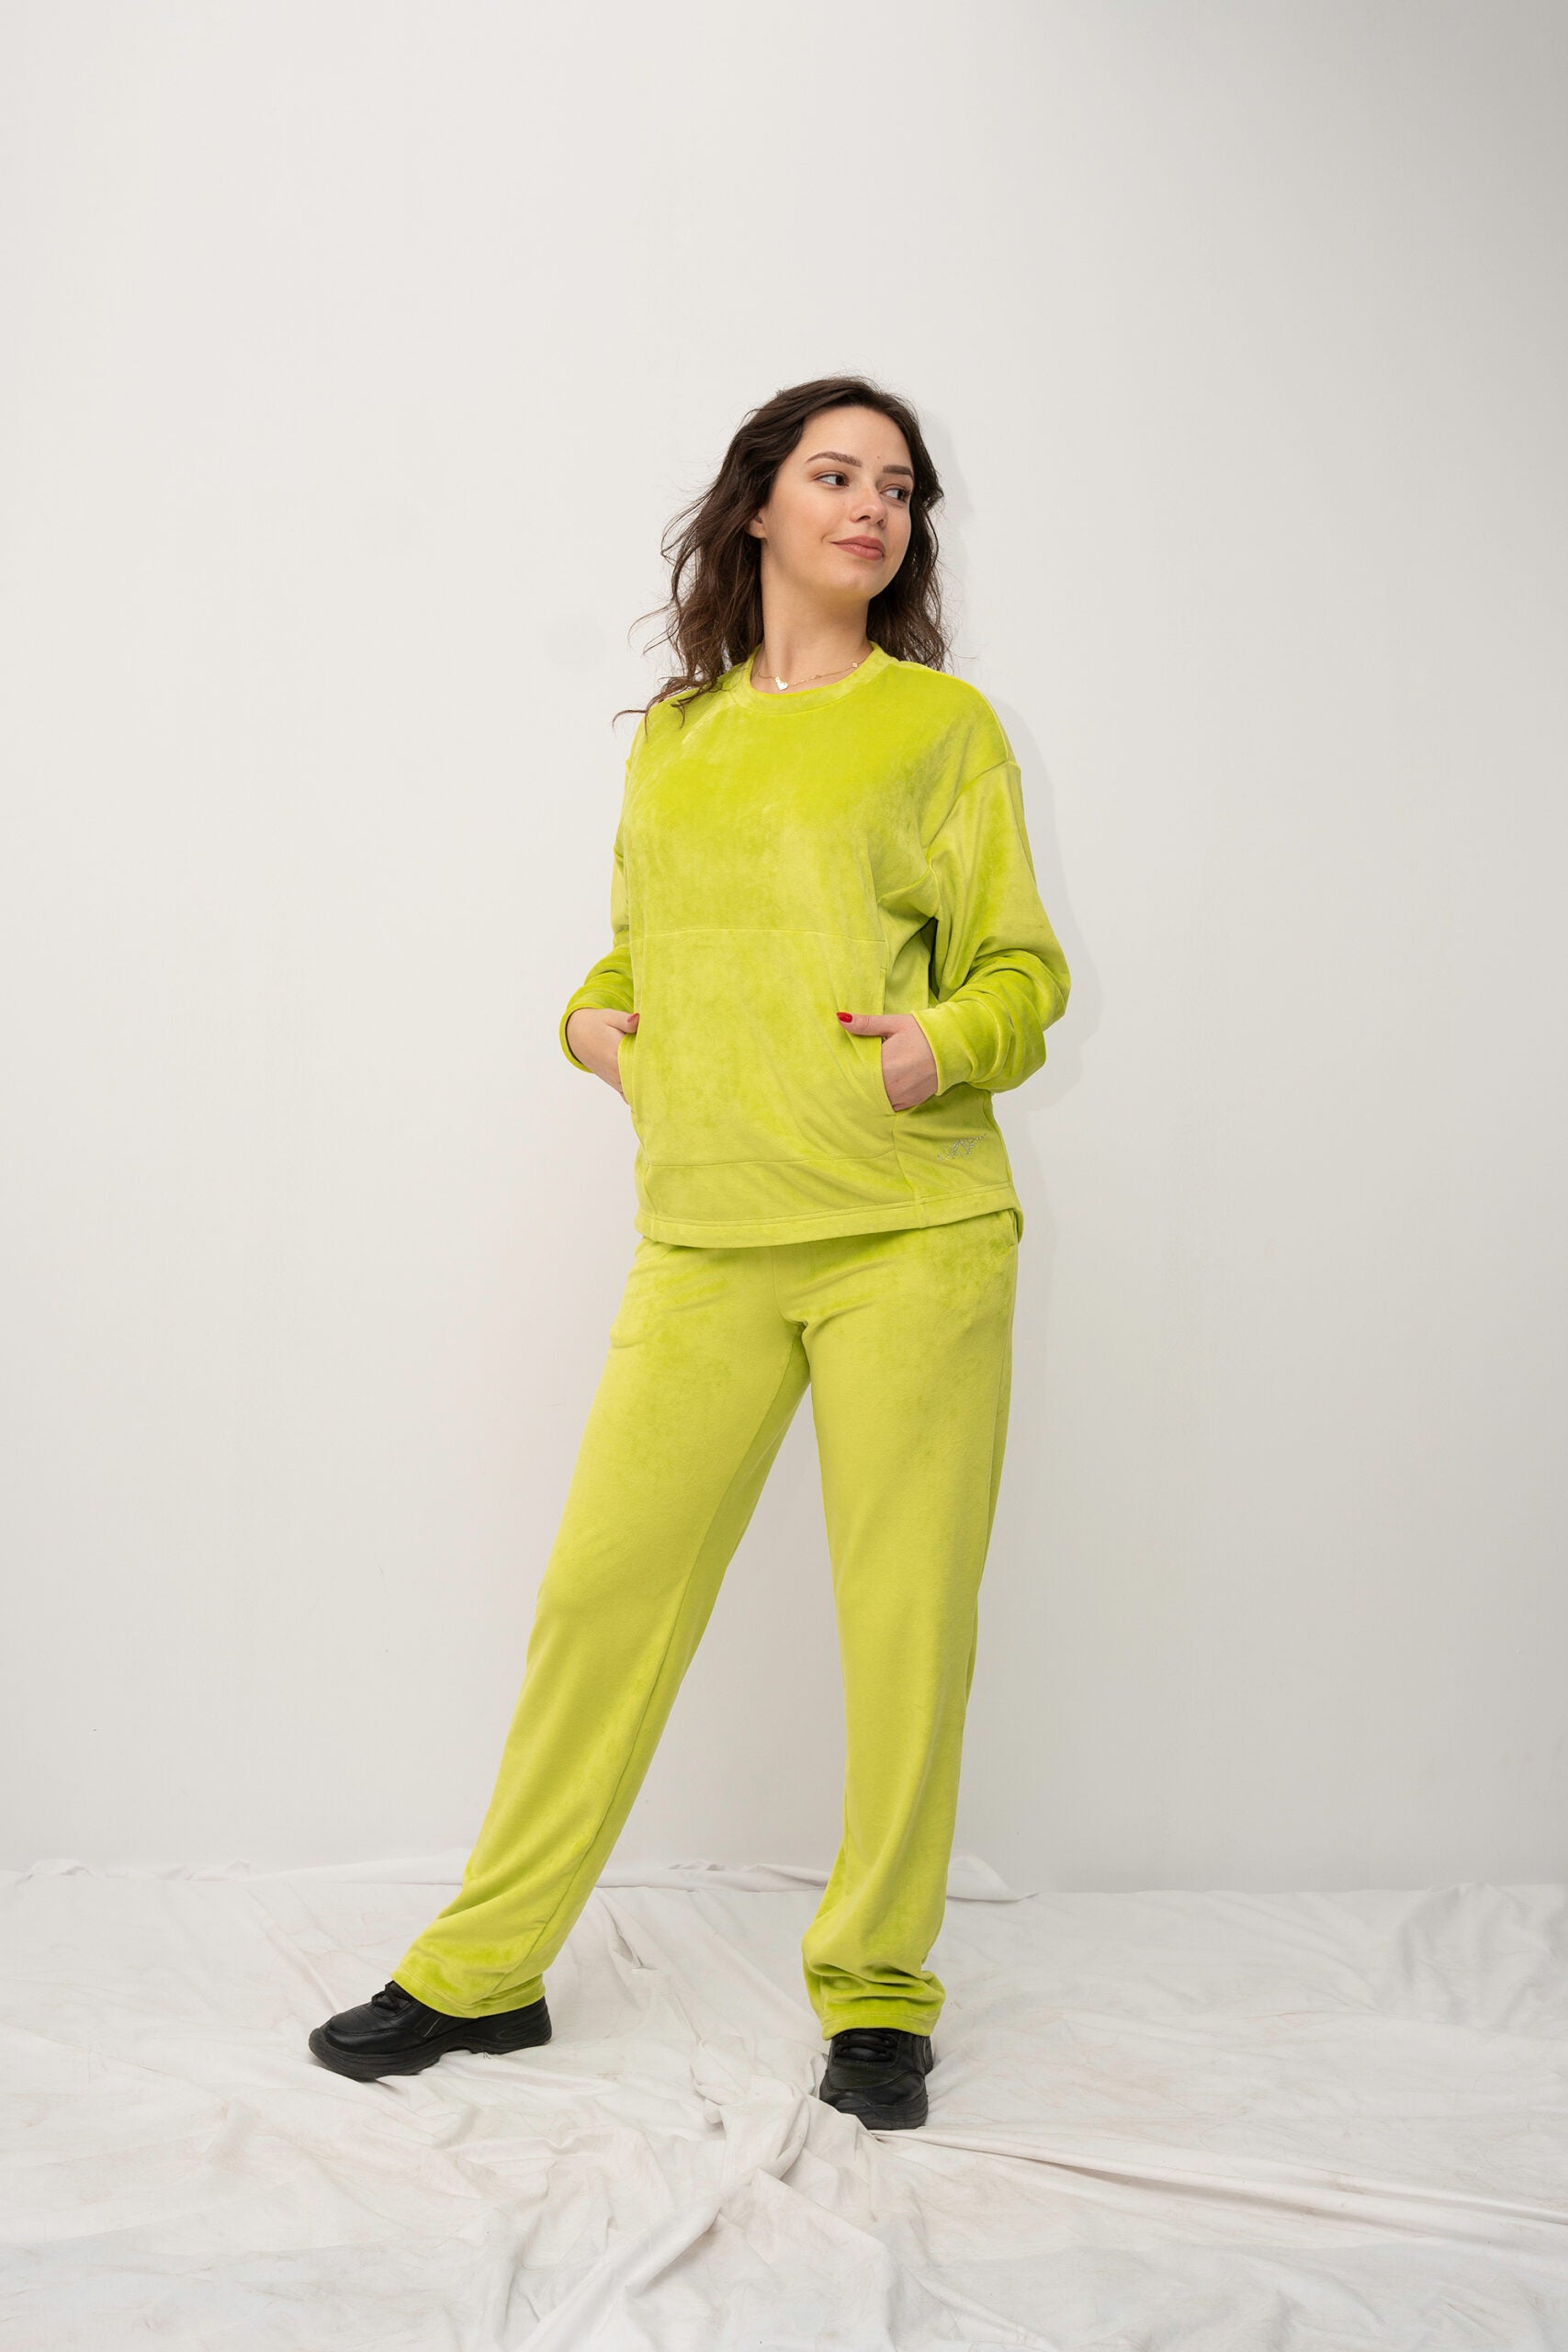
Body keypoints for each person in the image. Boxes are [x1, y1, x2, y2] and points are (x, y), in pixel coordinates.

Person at [308, 374, 1072, 2131]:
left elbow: (1025, 973)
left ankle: (878, 1992)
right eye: (837, 475)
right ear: (759, 505)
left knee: (905, 1632)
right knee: (600, 1603)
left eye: (900, 488)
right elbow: (631, 953)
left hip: (912, 1236)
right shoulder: (675, 737)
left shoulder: (941, 727)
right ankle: (484, 1972)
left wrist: (937, 1047)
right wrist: (592, 1026)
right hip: (707, 1239)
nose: (873, 508)